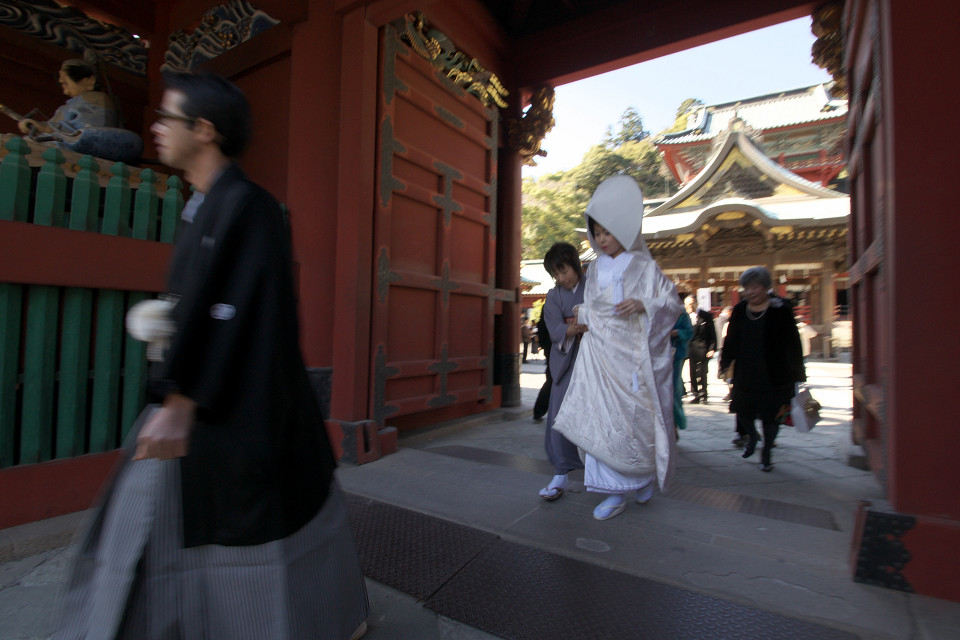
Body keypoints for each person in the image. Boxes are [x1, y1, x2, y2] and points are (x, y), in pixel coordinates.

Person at [53, 71, 369, 640]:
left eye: (167, 118)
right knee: (153, 516)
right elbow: (203, 301)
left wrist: (179, 398)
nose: (154, 128)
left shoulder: (251, 206)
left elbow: (240, 310)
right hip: (199, 391)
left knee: (258, 521)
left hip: (235, 402)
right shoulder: (201, 206)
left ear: (204, 129)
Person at [553, 175, 682, 520]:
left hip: (632, 363)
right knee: (601, 421)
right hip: (600, 360)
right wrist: (584, 314)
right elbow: (593, 306)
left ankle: (638, 480)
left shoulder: (646, 266)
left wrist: (644, 305)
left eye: (607, 232)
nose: (601, 239)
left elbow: (671, 304)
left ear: (623, 230)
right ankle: (613, 491)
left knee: (632, 425)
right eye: (596, 233)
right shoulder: (593, 269)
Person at [719, 266, 806, 472]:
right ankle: (751, 435)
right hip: (746, 371)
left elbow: (793, 342)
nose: (750, 292)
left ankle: (766, 452)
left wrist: (798, 370)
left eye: (755, 287)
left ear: (766, 287)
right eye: (746, 287)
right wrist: (725, 362)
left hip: (775, 372)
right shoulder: (740, 310)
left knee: (771, 415)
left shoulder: (780, 308)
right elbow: (731, 339)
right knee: (742, 409)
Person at [537, 242, 587, 500]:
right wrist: (572, 329)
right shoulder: (554, 296)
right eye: (555, 274)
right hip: (567, 359)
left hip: (593, 359)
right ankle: (561, 471)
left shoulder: (595, 285)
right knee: (558, 413)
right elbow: (554, 327)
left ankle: (605, 471)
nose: (561, 278)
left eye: (564, 270)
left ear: (575, 264)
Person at [17, 59, 118, 137]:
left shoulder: (97, 98)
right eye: (62, 83)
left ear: (90, 80)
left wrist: (46, 128)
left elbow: (87, 131)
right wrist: (38, 128)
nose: (64, 88)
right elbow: (51, 127)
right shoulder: (67, 106)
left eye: (66, 82)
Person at [685, 295, 717, 404]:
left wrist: (712, 348)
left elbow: (713, 333)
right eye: (687, 305)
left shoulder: (706, 315)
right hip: (691, 348)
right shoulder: (685, 316)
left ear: (695, 303)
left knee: (703, 372)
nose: (689, 307)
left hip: (704, 348)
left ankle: (704, 394)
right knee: (692, 373)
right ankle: (695, 395)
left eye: (690, 304)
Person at [671, 307, 693, 434]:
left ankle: (675, 423)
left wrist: (677, 332)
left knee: (674, 390)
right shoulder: (657, 309)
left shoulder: (682, 314)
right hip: (658, 355)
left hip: (676, 355)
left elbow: (689, 332)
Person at [532, 311, 553, 421]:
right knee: (552, 380)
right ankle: (539, 410)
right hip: (554, 348)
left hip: (551, 347)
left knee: (551, 380)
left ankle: (539, 410)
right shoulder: (553, 304)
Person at [715, 305, 734, 402]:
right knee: (729, 373)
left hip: (723, 347)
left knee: (728, 373)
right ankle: (731, 393)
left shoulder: (718, 320)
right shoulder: (727, 321)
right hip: (726, 348)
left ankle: (731, 393)